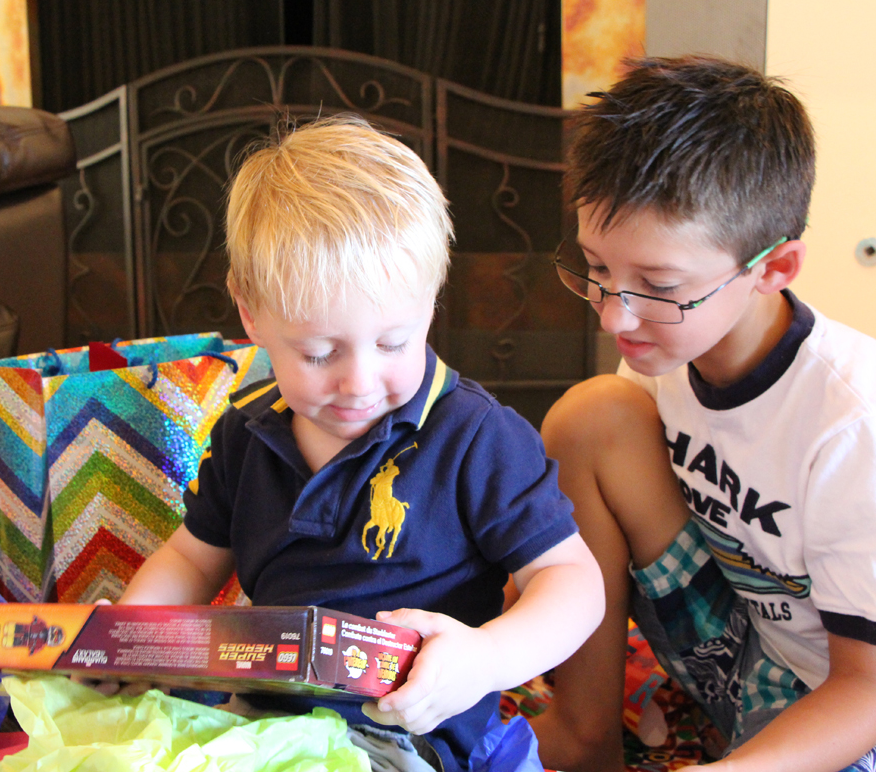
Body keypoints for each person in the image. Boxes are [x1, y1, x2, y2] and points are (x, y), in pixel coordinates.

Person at [111, 114, 605, 772]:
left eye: (394, 343)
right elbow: (190, 559)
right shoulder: (244, 433)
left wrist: (488, 659)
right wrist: (124, 637)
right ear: (250, 312)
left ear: (431, 303)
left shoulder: (476, 436)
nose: (360, 383)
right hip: (262, 724)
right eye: (320, 353)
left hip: (406, 736)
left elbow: (572, 582)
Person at [526, 55, 876, 772]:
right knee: (590, 417)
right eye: (598, 268)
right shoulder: (666, 347)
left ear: (773, 270)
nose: (615, 315)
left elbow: (870, 693)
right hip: (752, 648)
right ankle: (584, 734)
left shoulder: (858, 427)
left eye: (659, 285)